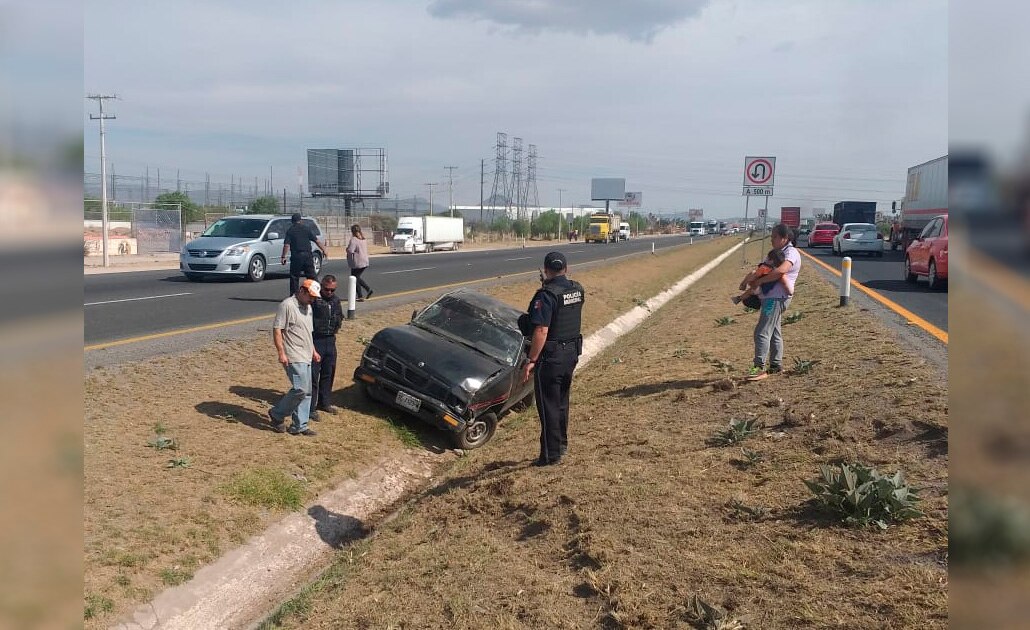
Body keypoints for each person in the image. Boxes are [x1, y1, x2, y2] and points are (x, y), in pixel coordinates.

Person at [520, 251, 585, 466]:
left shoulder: (546, 295)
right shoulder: (577, 289)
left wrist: (531, 360)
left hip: (551, 358)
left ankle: (550, 455)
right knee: (561, 403)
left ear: (546, 270)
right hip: (571, 354)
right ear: (566, 269)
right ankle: (561, 445)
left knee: (548, 407)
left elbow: (541, 330)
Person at [743, 224, 801, 380]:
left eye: (774, 237)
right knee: (774, 331)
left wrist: (760, 283)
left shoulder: (791, 253)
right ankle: (775, 365)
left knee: (761, 332)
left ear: (785, 238)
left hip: (776, 299)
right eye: (771, 237)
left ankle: (759, 368)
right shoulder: (776, 253)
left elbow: (780, 271)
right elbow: (762, 269)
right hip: (770, 298)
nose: (772, 240)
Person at [268, 278, 322, 436]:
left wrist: (314, 351)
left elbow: (307, 332)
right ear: (302, 291)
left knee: (307, 392)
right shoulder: (287, 305)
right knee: (300, 389)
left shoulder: (308, 307)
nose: (312, 300)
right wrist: (281, 353)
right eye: (310, 296)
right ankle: (277, 414)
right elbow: (278, 329)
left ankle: (300, 426)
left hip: (306, 355)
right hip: (293, 354)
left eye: (314, 297)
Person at [309, 275, 343, 421]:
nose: (329, 292)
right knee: (313, 376)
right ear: (322, 287)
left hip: (330, 340)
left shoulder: (336, 300)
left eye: (332, 290)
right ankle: (311, 407)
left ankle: (325, 402)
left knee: (328, 373)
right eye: (327, 289)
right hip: (317, 340)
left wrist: (336, 327)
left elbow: (340, 316)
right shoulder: (315, 301)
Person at [281, 213, 328, 296]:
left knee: (294, 277)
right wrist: (324, 249)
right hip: (307, 255)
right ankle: (319, 294)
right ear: (301, 221)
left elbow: (286, 245)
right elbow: (317, 241)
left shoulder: (290, 231)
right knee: (312, 276)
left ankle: (294, 295)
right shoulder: (306, 229)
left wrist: (283, 257)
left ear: (292, 221)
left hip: (297, 256)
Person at [346, 224, 373, 301]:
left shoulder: (354, 240)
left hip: (357, 262)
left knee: (355, 278)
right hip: (364, 261)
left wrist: (347, 249)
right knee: (356, 278)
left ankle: (363, 293)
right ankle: (365, 292)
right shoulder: (363, 239)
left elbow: (350, 250)